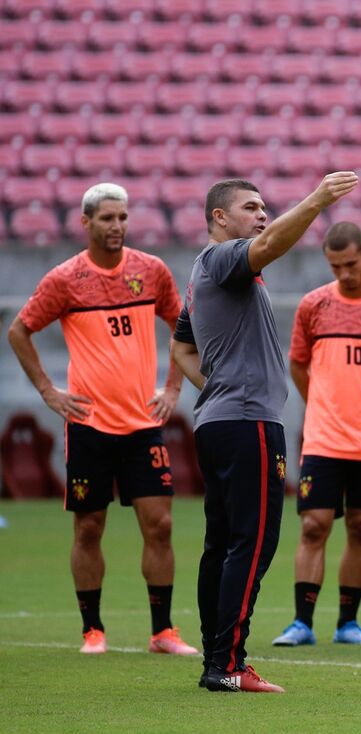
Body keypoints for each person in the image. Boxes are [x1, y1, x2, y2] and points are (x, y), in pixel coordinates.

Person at [171, 172, 358, 692]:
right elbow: (272, 243)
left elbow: (181, 346)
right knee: (254, 542)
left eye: (263, 207)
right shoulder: (222, 258)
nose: (261, 215)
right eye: (250, 207)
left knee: (223, 543)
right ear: (219, 217)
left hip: (222, 418)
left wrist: (216, 385)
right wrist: (319, 198)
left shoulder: (204, 273)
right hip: (247, 420)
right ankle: (228, 664)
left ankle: (217, 659)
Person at [8, 182, 197, 657]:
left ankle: (163, 632)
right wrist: (50, 392)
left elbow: (182, 326)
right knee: (89, 527)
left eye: (123, 217)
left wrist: (173, 386)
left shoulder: (150, 271)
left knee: (160, 525)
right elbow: (19, 331)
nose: (117, 226)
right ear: (86, 222)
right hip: (89, 425)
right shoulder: (65, 279)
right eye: (107, 218)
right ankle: (92, 629)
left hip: (142, 423)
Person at [271, 222, 361, 647]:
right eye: (335, 266)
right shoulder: (313, 305)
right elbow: (297, 362)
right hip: (324, 438)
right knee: (314, 525)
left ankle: (348, 623)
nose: (344, 273)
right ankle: (302, 622)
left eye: (350, 264)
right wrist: (321, 403)